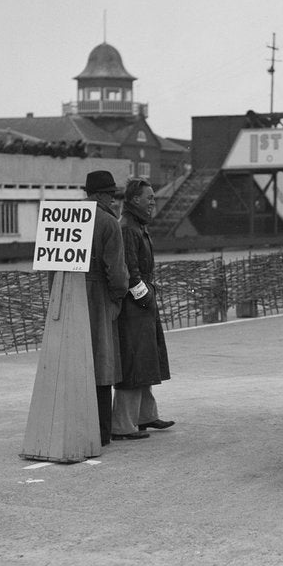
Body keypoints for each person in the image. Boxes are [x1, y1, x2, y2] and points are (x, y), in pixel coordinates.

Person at [112, 177, 174, 440]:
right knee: (134, 362)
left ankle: (145, 416)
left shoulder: (136, 225)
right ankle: (123, 425)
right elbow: (130, 271)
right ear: (135, 199)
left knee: (145, 360)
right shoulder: (128, 227)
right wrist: (145, 297)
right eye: (149, 197)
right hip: (134, 308)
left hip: (141, 306)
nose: (153, 202)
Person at [81, 170, 130, 446]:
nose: (113, 200)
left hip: (69, 295)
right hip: (98, 296)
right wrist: (118, 297)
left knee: (75, 362)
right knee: (102, 363)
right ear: (101, 195)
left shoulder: (68, 216)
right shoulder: (108, 222)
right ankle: (101, 432)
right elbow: (118, 272)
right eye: (111, 195)